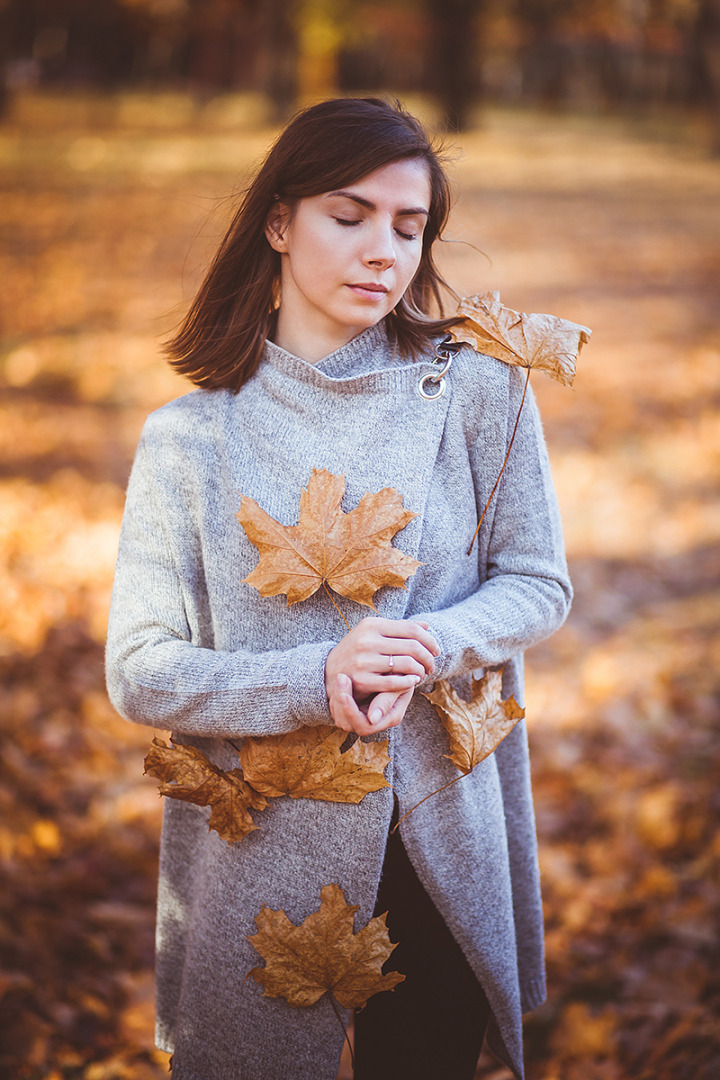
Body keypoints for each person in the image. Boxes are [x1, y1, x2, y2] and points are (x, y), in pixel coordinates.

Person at [105, 97, 572, 1080]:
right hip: (263, 853)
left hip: (441, 828)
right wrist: (319, 675)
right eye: (348, 216)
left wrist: (431, 645)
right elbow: (141, 671)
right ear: (278, 223)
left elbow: (537, 581)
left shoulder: (480, 393)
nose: (383, 252)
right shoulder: (189, 440)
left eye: (410, 229)